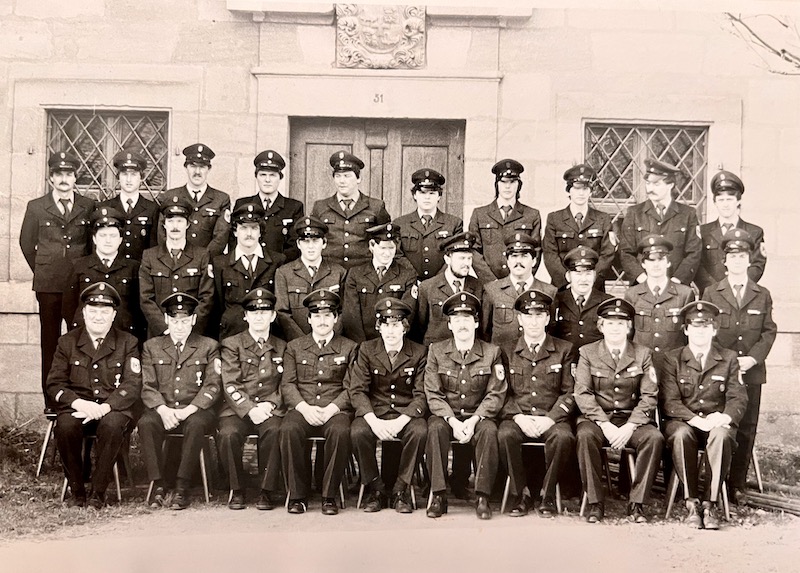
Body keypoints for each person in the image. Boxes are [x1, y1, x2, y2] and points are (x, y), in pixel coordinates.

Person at [45, 282, 142, 509]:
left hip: (112, 408)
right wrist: (79, 403)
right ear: (84, 313)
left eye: (105, 312)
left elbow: (132, 383)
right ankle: (77, 490)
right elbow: (54, 383)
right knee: (65, 427)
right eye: (93, 311)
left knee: (111, 426)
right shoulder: (67, 342)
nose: (99, 317)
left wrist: (105, 407)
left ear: (113, 315)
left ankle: (98, 492)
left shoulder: (128, 342)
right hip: (78, 407)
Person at [700, 229, 776, 502]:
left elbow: (768, 331)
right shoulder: (712, 292)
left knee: (746, 427)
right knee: (722, 425)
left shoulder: (762, 293)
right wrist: (730, 362)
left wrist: (753, 358)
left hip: (752, 372)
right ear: (725, 261)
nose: (737, 261)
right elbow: (708, 332)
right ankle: (714, 481)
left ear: (749, 260)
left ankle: (737, 485)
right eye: (732, 256)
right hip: (722, 371)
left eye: (742, 256)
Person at [574, 297, 664, 524]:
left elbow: (649, 396)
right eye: (610, 323)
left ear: (629, 327)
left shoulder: (643, 354)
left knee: (653, 438)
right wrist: (604, 424)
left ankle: (637, 504)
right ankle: (595, 502)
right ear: (601, 326)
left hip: (630, 419)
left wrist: (630, 426)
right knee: (584, 436)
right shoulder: (587, 352)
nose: (615, 328)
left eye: (621, 323)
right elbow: (583, 393)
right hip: (597, 419)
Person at [661, 301, 747, 529]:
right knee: (680, 435)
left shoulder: (728, 358)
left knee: (721, 436)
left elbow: (738, 398)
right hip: (684, 422)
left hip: (715, 423)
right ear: (686, 329)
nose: (700, 331)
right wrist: (696, 420)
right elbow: (669, 401)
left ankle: (710, 504)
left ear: (714, 330)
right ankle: (691, 503)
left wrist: (725, 418)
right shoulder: (673, 358)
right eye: (695, 326)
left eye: (706, 326)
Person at [20, 151, 95, 409]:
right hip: (49, 287)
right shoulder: (36, 206)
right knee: (50, 344)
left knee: (80, 342)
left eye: (69, 174)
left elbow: (91, 245)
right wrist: (44, 269)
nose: (64, 179)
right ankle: (52, 401)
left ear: (75, 178)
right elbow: (27, 244)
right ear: (51, 178)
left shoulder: (88, 205)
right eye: (59, 174)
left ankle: (80, 397)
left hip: (78, 287)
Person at [424, 292, 507, 520]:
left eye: (467, 319)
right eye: (457, 320)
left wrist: (473, 420)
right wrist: (451, 420)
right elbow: (433, 393)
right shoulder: (436, 351)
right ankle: (439, 495)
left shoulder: (492, 352)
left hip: (477, 416)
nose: (462, 324)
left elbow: (495, 394)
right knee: (435, 429)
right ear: (449, 324)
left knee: (489, 431)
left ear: (477, 322)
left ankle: (482, 496)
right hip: (446, 415)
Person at [137, 293, 221, 510]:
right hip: (164, 408)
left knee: (196, 425)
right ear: (166, 319)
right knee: (146, 423)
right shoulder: (152, 347)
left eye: (185, 321)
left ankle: (182, 487)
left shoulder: (208, 346)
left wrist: (190, 409)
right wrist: (163, 410)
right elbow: (147, 386)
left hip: (197, 409)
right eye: (175, 321)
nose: (180, 327)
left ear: (193, 320)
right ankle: (158, 484)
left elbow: (212, 385)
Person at [279, 289, 358, 515]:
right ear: (309, 319)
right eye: (317, 315)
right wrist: (304, 408)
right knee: (288, 429)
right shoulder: (294, 347)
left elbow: (351, 386)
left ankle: (329, 495)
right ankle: (297, 496)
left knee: (341, 432)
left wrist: (333, 408)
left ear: (335, 318)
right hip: (303, 407)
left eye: (327, 315)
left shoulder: (349, 347)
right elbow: (288, 384)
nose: (322, 321)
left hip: (336, 409)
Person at [498, 290, 576, 517]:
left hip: (551, 417)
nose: (533, 321)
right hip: (518, 416)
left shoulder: (564, 349)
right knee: (504, 436)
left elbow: (569, 392)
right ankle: (521, 493)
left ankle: (547, 494)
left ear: (547, 319)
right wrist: (518, 417)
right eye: (528, 316)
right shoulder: (506, 349)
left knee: (563, 437)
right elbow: (501, 391)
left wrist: (550, 419)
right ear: (520, 319)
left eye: (539, 315)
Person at [348, 298, 428, 513]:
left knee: (420, 431)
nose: (390, 331)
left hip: (405, 413)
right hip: (376, 412)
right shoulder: (366, 350)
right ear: (378, 327)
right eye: (385, 324)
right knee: (357, 432)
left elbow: (421, 394)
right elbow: (357, 391)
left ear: (405, 327)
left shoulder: (419, 352)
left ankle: (401, 489)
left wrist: (404, 419)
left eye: (396, 324)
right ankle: (376, 489)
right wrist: (372, 420)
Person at [218, 289, 286, 511]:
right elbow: (230, 383)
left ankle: (266, 490)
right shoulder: (231, 344)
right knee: (229, 434)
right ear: (245, 316)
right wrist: (249, 409)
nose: (259, 316)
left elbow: (286, 384)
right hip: (238, 409)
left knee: (274, 431)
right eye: (253, 311)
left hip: (269, 408)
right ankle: (236, 489)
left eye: (264, 311)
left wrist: (270, 404)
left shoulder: (283, 346)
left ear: (273, 316)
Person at [619, 158, 702, 286]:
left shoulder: (687, 214)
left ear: (671, 185)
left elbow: (694, 253)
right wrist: (644, 280)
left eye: (656, 184)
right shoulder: (634, 213)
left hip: (677, 289)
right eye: (648, 183)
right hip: (642, 289)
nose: (650, 189)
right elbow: (626, 252)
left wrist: (676, 281)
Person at [139, 199, 214, 338]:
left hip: (192, 334)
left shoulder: (201, 255)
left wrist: (188, 327)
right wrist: (164, 328)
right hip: (159, 334)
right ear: (164, 224)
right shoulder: (150, 256)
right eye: (171, 221)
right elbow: (146, 298)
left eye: (180, 221)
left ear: (187, 225)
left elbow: (207, 297)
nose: (175, 226)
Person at [212, 202, 286, 340]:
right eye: (243, 228)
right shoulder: (220, 264)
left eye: (254, 228)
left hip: (268, 338)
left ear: (260, 231)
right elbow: (217, 307)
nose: (249, 234)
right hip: (231, 337)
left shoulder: (277, 261)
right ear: (235, 231)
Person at [69, 207, 143, 341]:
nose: (108, 240)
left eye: (113, 236)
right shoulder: (79, 266)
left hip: (124, 337)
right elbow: (69, 306)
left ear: (121, 239)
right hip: (86, 337)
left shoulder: (134, 267)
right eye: (103, 235)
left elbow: (138, 308)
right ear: (94, 239)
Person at [623, 235, 695, 371]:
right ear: (643, 264)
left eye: (660, 259)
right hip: (641, 367)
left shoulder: (684, 294)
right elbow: (628, 335)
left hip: (674, 369)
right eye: (650, 260)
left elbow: (688, 338)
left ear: (668, 262)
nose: (656, 264)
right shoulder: (632, 294)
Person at [311, 151, 391, 269]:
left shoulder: (376, 207)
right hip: (329, 273)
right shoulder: (320, 207)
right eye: (338, 176)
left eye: (347, 176)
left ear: (358, 179)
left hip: (364, 275)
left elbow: (388, 241)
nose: (341, 181)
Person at [482, 233, 556, 357]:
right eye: (514, 256)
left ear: (534, 261)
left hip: (535, 360)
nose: (518, 261)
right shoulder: (492, 290)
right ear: (508, 261)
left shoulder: (548, 291)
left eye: (524, 256)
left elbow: (551, 329)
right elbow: (484, 332)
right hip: (501, 359)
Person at [274, 216, 347, 341]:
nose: (310, 246)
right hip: (296, 345)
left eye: (315, 241)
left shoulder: (338, 272)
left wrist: (330, 338)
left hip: (331, 343)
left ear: (324, 243)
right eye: (306, 241)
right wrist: (304, 343)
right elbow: (282, 313)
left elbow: (344, 311)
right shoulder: (284, 273)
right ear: (298, 244)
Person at [341, 223, 417, 343]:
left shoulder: (407, 275)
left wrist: (393, 343)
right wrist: (362, 347)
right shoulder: (355, 274)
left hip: (394, 343)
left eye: (391, 248)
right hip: (363, 344)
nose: (387, 253)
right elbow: (351, 316)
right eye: (383, 248)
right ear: (372, 246)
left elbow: (408, 314)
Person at [543, 164, 615, 290]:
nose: (581, 193)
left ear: (591, 191)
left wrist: (591, 279)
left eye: (585, 189)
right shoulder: (555, 219)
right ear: (569, 190)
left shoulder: (603, 219)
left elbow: (607, 254)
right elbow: (550, 254)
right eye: (576, 188)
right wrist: (566, 279)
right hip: (563, 287)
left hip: (594, 288)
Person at [469, 159, 541, 281]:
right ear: (496, 184)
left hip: (518, 284)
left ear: (519, 185)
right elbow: (474, 251)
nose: (507, 186)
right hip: (488, 285)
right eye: (503, 182)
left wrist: (520, 279)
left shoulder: (532, 215)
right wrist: (491, 282)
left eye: (512, 182)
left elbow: (536, 252)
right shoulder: (479, 214)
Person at [696, 170, 767, 292]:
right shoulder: (703, 232)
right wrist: (716, 291)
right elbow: (698, 265)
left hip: (742, 295)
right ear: (715, 203)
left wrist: (737, 287)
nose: (725, 205)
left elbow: (757, 265)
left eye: (729, 199)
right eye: (721, 200)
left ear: (738, 201)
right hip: (711, 296)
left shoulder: (754, 232)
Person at [158, 143, 230, 258]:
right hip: (174, 263)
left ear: (209, 169)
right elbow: (162, 233)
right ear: (185, 167)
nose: (197, 172)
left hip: (208, 265)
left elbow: (221, 237)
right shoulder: (170, 196)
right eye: (192, 166)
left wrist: (201, 261)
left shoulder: (221, 199)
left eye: (202, 167)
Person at [413, 232, 484, 346]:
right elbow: (419, 327)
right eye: (461, 258)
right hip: (437, 355)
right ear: (447, 259)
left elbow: (482, 327)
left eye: (469, 258)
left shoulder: (478, 286)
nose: (466, 263)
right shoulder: (428, 287)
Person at [232, 150, 304, 262]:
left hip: (280, 268)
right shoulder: (242, 204)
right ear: (256, 176)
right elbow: (234, 241)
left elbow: (295, 246)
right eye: (263, 175)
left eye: (273, 175)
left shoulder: (294, 207)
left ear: (280, 177)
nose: (267, 180)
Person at [392, 168, 463, 280]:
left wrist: (435, 283)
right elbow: (397, 255)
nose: (427, 197)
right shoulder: (400, 223)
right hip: (409, 284)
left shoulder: (454, 223)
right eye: (422, 192)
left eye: (432, 193)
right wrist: (412, 279)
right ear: (414, 195)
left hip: (441, 285)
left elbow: (454, 256)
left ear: (439, 196)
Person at [98, 150, 159, 262]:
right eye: (125, 174)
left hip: (141, 272)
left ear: (141, 178)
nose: (129, 180)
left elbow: (154, 248)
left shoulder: (152, 209)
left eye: (134, 175)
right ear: (118, 177)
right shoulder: (106, 207)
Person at [550, 247, 612, 350]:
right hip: (564, 361)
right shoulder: (557, 301)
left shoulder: (607, 303)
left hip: (596, 363)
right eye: (578, 273)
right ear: (568, 276)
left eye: (588, 274)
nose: (583, 279)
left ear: (594, 276)